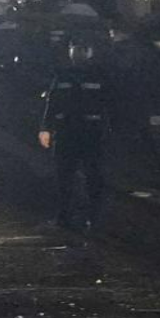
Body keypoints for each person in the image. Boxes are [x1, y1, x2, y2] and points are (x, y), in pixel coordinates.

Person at [39, 37, 113, 232]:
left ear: (89, 52)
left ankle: (95, 218)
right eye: (75, 49)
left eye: (82, 49)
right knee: (64, 177)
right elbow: (52, 102)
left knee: (94, 178)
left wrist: (110, 130)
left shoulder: (100, 75)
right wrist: (45, 128)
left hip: (92, 133)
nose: (78, 53)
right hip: (66, 132)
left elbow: (111, 104)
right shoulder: (62, 75)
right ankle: (64, 217)